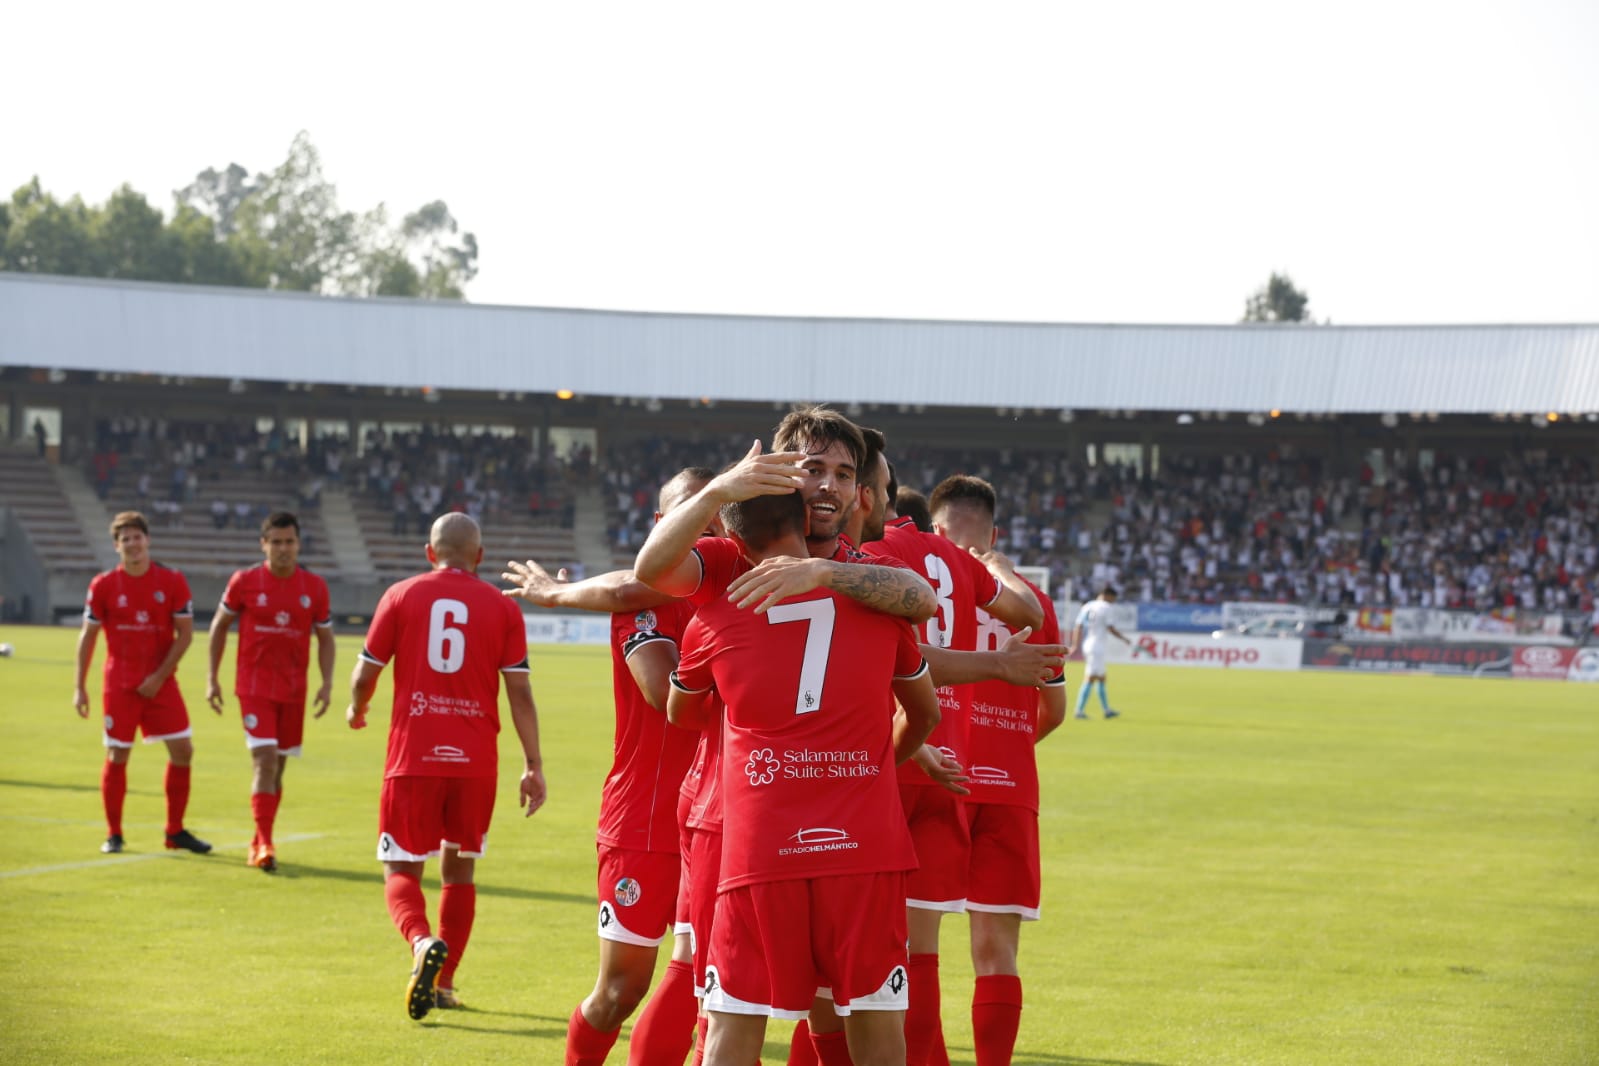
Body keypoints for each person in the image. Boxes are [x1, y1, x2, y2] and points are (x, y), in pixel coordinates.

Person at [667, 488, 942, 1066]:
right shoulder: (879, 606)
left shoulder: (712, 617)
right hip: (864, 847)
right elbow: (925, 715)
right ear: (803, 521)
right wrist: (866, 770)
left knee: (732, 1026)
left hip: (760, 849)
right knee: (875, 1020)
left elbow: (684, 714)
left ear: (732, 541)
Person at [504, 467, 719, 1066]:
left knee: (714, 986)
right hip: (646, 822)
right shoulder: (642, 606)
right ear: (662, 527)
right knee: (622, 991)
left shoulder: (734, 596)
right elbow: (665, 696)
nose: (703, 531)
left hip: (722, 818)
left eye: (714, 517)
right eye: (689, 517)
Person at [347, 512, 548, 1020]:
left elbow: (365, 670)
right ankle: (446, 982)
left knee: (400, 865)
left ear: (429, 552)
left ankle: (419, 943)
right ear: (479, 556)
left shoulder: (401, 594)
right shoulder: (502, 608)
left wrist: (357, 707)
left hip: (414, 756)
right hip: (475, 762)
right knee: (459, 871)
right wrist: (533, 763)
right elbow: (519, 691)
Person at [931, 475, 1069, 1066]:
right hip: (1009, 787)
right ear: (996, 533)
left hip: (938, 774)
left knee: (916, 945)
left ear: (935, 530)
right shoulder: (1032, 603)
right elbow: (1054, 708)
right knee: (996, 952)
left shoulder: (922, 588)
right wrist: (1007, 744)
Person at [205, 511, 336, 873]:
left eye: (289, 542)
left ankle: (260, 836)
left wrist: (326, 682)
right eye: (275, 542)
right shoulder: (245, 581)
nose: (282, 549)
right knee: (263, 760)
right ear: (263, 544)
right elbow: (219, 626)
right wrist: (211, 677)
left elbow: (325, 638)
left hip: (293, 690)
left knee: (277, 769)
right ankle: (264, 843)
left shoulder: (314, 587)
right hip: (254, 687)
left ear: (298, 544)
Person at [74, 511, 211, 855]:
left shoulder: (172, 581)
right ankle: (114, 834)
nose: (133, 544)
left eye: (137, 537)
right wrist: (80, 686)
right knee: (118, 753)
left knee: (183, 751)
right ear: (116, 546)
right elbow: (88, 637)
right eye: (125, 539)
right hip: (119, 684)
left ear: (148, 540)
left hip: (161, 683)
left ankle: (174, 831)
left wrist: (158, 677)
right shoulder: (103, 585)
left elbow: (185, 635)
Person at [1067, 587, 1131, 719]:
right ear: (1107, 595)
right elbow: (1110, 628)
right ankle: (1079, 711)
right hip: (1097, 647)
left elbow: (1078, 626)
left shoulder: (1087, 606)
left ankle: (1106, 710)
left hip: (1089, 644)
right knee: (1090, 678)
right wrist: (1124, 638)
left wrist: (1075, 644)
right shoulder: (1106, 607)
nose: (1113, 601)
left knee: (1101, 677)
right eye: (1113, 598)